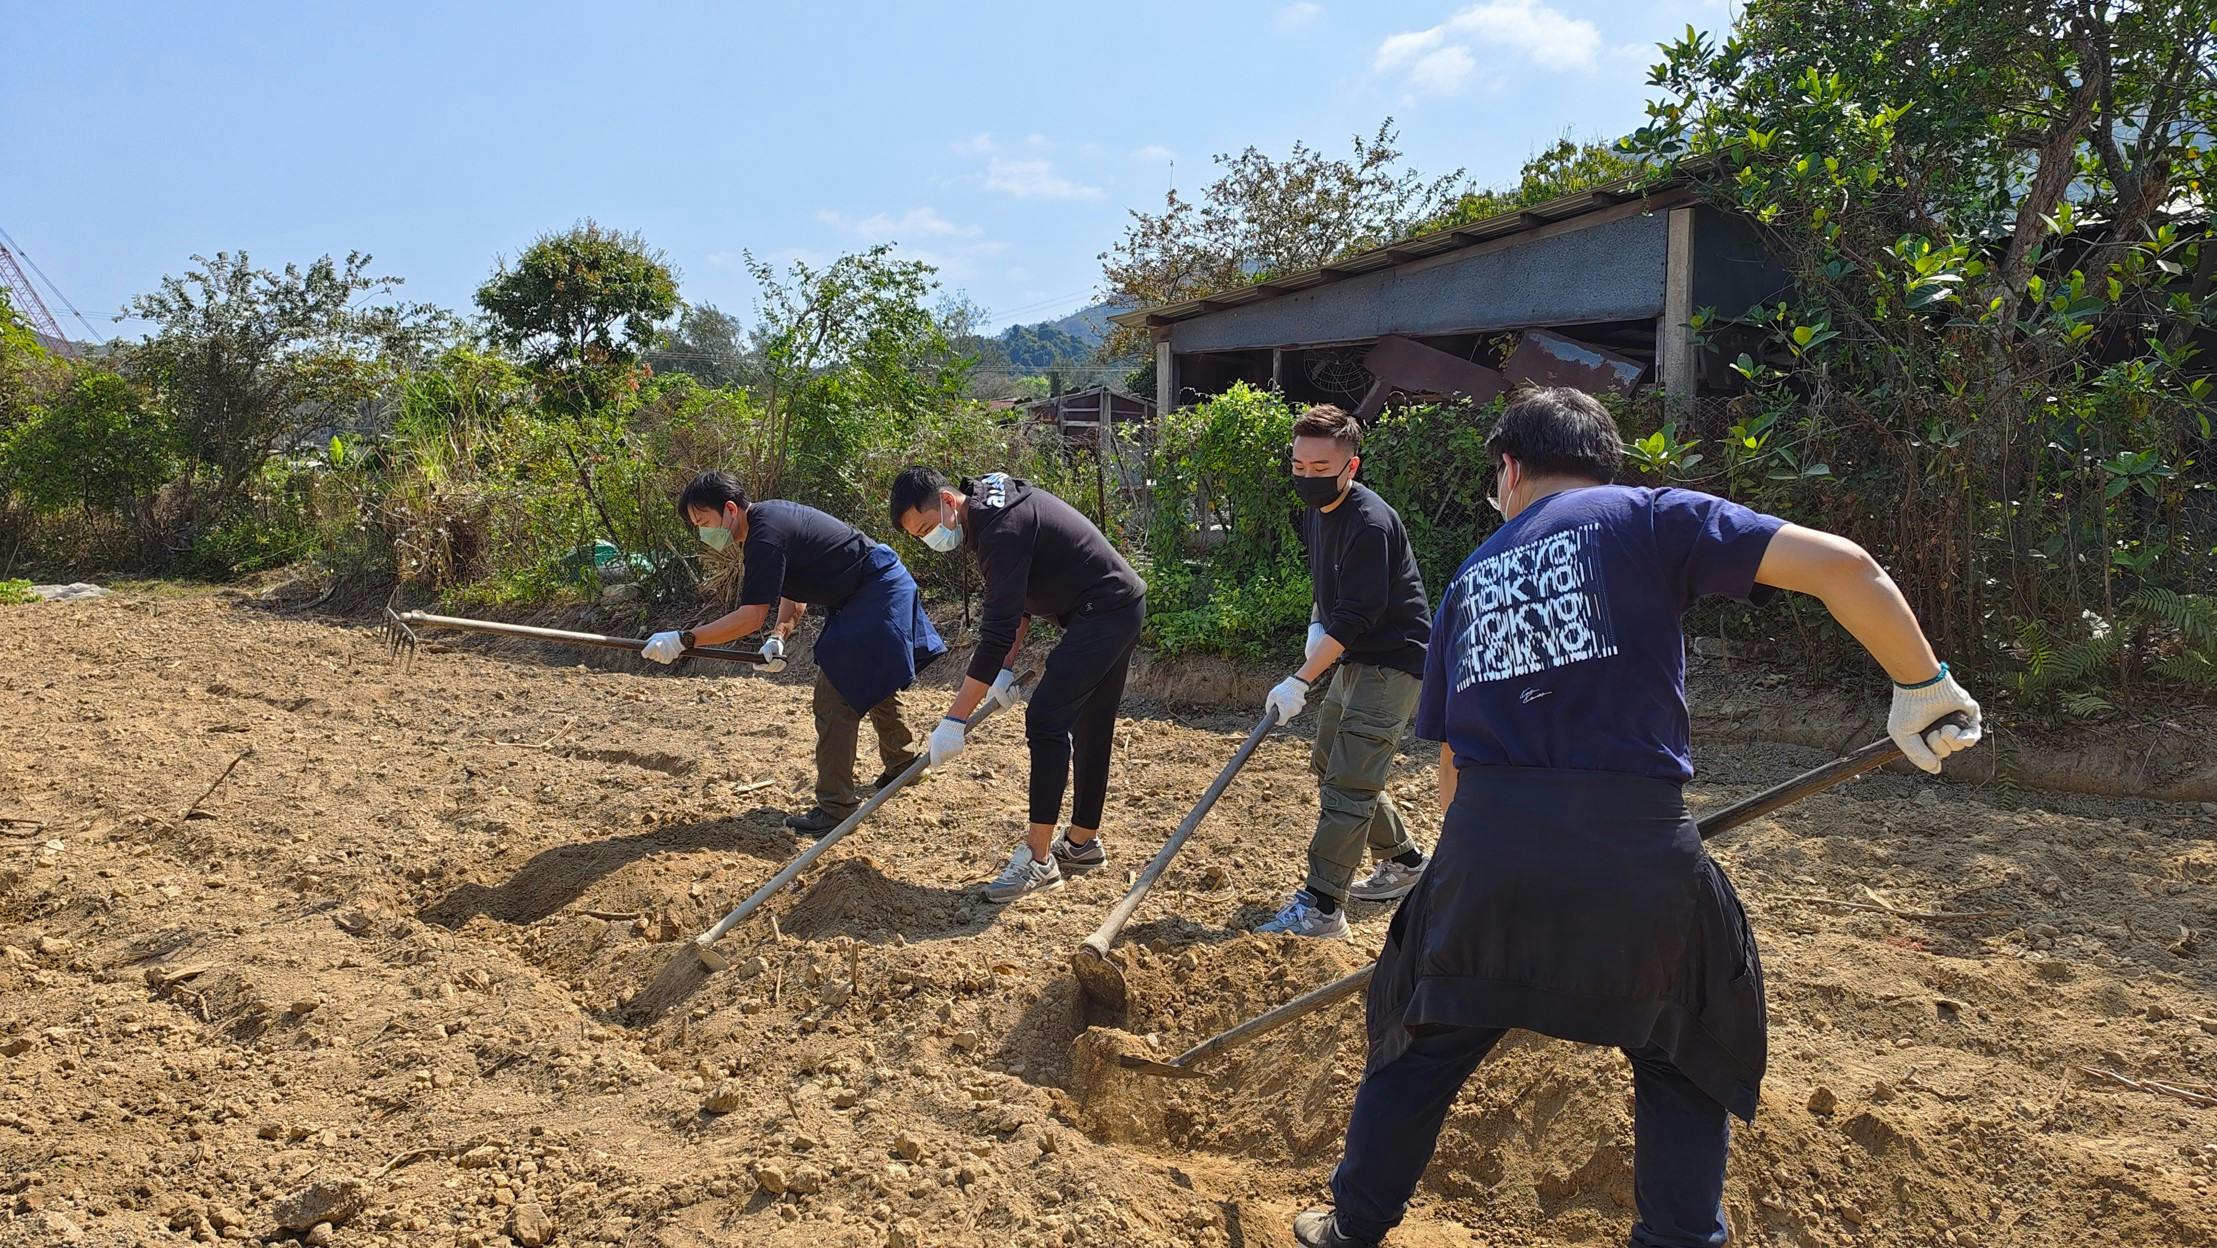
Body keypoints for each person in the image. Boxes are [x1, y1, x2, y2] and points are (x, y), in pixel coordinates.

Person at [1294, 387, 1982, 1248]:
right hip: (1633, 847)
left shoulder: (1473, 573)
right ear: (1604, 464)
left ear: (1507, 469)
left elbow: (1452, 760)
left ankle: (1351, 1226)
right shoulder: (1651, 516)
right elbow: (1845, 568)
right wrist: (1922, 686)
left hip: (1489, 844)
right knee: (1684, 1048)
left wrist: (1466, 886)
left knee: (1417, 1038)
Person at [888, 468, 1146, 903]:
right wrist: (1005, 669)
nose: (930, 539)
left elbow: (996, 633)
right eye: (919, 536)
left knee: (1046, 720)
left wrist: (955, 718)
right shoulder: (989, 505)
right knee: (1090, 723)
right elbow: (1017, 601)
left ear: (948, 502)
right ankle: (1081, 844)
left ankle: (1038, 861)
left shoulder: (999, 530)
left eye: (929, 528)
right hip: (1117, 604)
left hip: (1103, 612)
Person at [647, 470, 946, 835]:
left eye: (703, 521)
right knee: (869, 673)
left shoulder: (764, 533)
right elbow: (795, 593)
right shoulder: (766, 524)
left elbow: (750, 616)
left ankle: (836, 808)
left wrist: (685, 639)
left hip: (876, 588)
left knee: (836, 694)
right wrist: (780, 636)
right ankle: (902, 763)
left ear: (729, 509)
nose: (702, 532)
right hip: (867, 590)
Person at [1259, 404, 1434, 939]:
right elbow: (1326, 591)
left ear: (1350, 467)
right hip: (1355, 654)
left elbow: (1358, 615)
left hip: (1394, 660)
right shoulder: (1317, 513)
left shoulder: (1369, 524)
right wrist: (1317, 626)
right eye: (1299, 466)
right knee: (1330, 762)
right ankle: (1403, 862)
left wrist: (1300, 679)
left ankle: (1323, 905)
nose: (1307, 478)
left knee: (1350, 783)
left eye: (1320, 468)